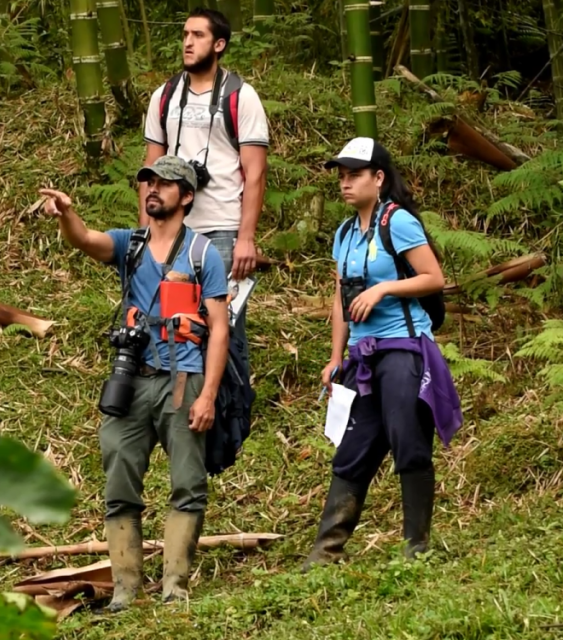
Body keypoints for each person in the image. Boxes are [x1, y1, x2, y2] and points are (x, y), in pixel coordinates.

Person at [39, 155, 230, 611]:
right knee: (119, 483)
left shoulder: (204, 254)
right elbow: (85, 240)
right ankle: (126, 589)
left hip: (184, 379)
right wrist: (67, 214)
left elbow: (219, 327)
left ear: (185, 197)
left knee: (187, 483)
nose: (153, 190)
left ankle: (174, 589)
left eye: (165, 184)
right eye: (148, 182)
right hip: (131, 379)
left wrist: (208, 395)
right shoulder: (131, 245)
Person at [302, 137, 463, 570]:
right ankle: (326, 551)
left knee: (407, 439)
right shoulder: (344, 233)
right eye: (341, 176)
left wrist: (385, 287)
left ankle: (417, 547)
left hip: (404, 350)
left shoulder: (399, 223)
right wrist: (336, 357)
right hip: (362, 356)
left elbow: (433, 277)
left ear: (379, 178)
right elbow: (339, 298)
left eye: (354, 175)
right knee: (352, 448)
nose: (345, 184)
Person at [140, 6, 269, 392]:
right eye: (184, 34)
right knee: (171, 317)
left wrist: (246, 237)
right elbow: (150, 166)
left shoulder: (240, 96)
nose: (187, 42)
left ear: (219, 44)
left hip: (223, 228)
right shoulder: (164, 96)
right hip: (175, 229)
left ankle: (231, 408)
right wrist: (147, 232)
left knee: (224, 322)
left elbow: (255, 171)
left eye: (197, 35)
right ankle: (182, 401)